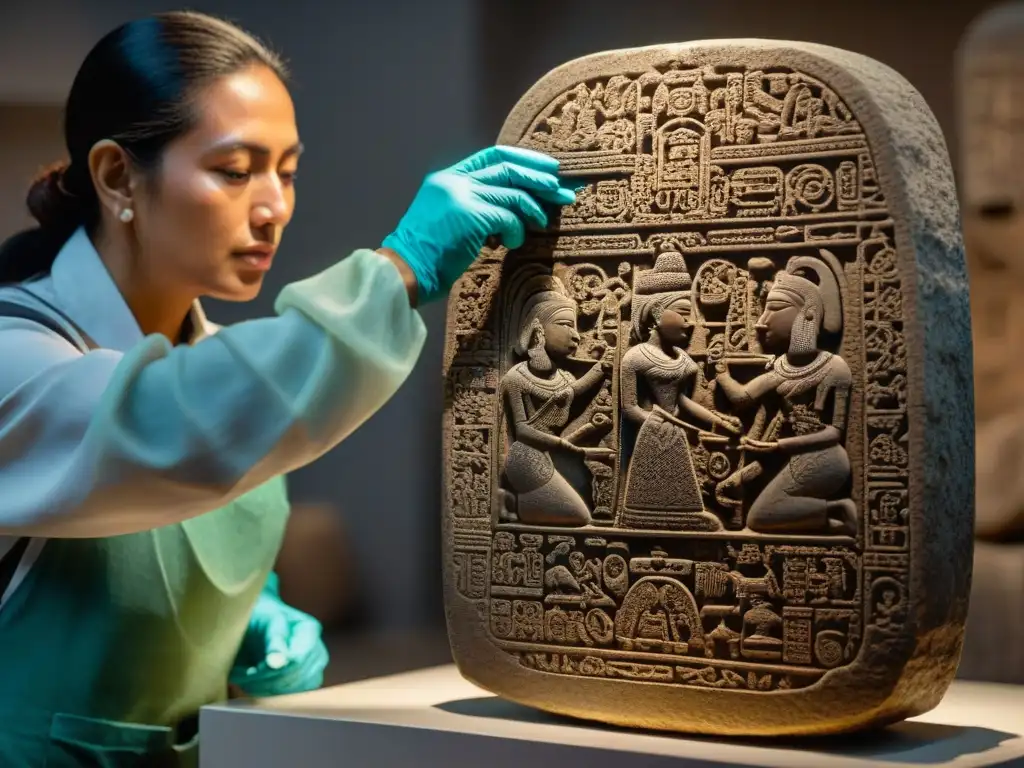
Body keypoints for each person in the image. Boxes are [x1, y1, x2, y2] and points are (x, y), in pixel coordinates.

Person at [0, 10, 576, 766]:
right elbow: (169, 420)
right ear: (117, 176)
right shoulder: (18, 351)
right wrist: (398, 270)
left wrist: (245, 614)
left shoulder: (210, 359)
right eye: (235, 171)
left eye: (288, 170)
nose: (272, 206)